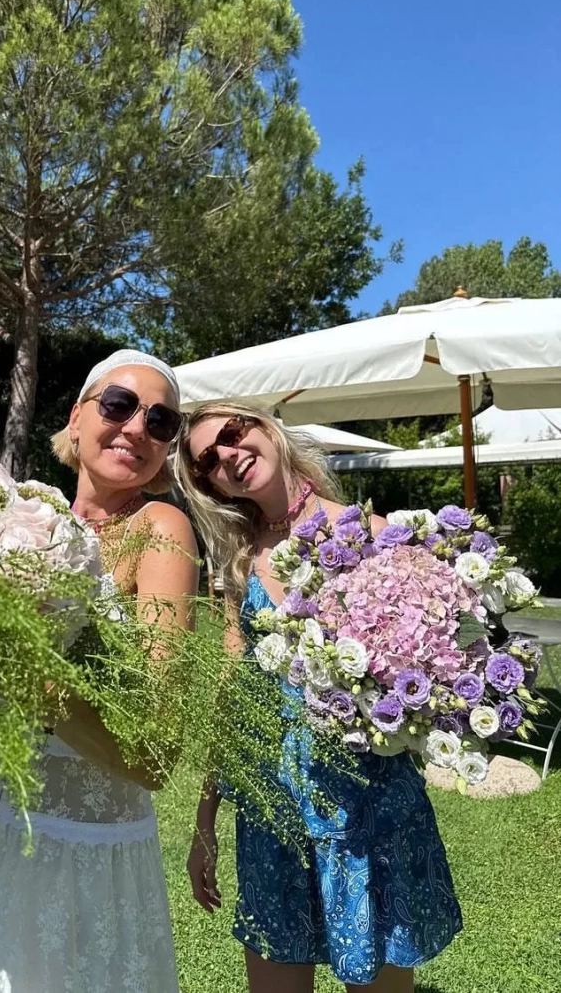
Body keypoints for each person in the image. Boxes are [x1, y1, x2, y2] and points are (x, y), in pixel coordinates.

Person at [175, 403, 463, 993]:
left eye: (233, 432)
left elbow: (438, 654)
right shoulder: (238, 560)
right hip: (272, 808)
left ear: (266, 428)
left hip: (368, 807)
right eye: (208, 461)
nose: (228, 454)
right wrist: (205, 819)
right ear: (211, 485)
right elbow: (235, 691)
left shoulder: (376, 536)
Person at [0, 349, 198, 993]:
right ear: (76, 418)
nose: (136, 428)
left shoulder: (160, 529)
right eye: (119, 405)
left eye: (160, 421)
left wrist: (28, 671)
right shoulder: (18, 522)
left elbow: (155, 755)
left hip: (90, 854)